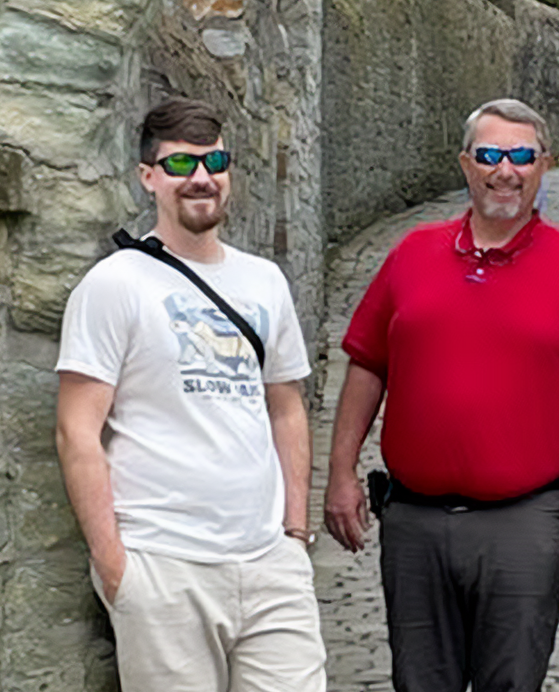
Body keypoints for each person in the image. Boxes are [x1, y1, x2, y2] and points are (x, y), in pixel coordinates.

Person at [322, 98, 559, 692]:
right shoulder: (411, 254)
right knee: (418, 683)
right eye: (491, 155)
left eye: (522, 156)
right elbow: (367, 366)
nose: (506, 170)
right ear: (466, 163)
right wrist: (341, 472)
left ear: (543, 165)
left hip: (524, 523)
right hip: (415, 520)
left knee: (512, 683)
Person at [55, 97, 326, 692]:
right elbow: (77, 430)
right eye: (180, 166)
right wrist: (116, 567)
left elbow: (285, 407)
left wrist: (294, 537)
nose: (201, 179)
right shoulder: (114, 284)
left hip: (267, 564)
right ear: (148, 177)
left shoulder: (265, 281)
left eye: (215, 162)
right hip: (163, 566)